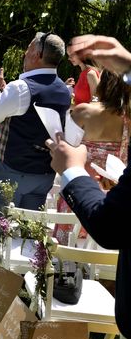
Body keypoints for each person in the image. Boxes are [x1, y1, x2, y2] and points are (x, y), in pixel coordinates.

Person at [47, 34, 131, 339]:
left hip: (87, 192)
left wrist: (73, 169)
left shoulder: (82, 112)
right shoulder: (127, 122)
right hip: (114, 188)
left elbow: (67, 147)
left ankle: (66, 295)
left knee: (71, 247)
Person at [0, 32, 71, 296]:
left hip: (10, 171)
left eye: (27, 49)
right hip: (43, 175)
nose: (24, 53)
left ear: (37, 54)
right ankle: (20, 290)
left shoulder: (21, 87)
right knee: (27, 233)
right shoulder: (63, 90)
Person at [53, 69, 130, 244]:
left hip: (81, 185)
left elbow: (69, 147)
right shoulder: (127, 118)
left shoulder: (84, 111)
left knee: (67, 248)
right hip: (111, 190)